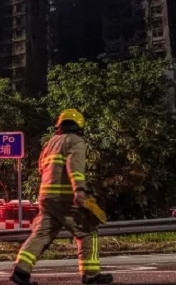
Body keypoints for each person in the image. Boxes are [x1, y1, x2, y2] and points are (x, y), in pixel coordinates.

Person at [11, 109, 112, 285]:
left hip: (46, 197)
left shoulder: (50, 143)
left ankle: (21, 271)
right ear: (80, 126)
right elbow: (75, 166)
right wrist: (79, 190)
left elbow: (41, 168)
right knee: (87, 232)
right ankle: (91, 275)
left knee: (41, 234)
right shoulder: (76, 141)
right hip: (66, 198)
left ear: (59, 125)